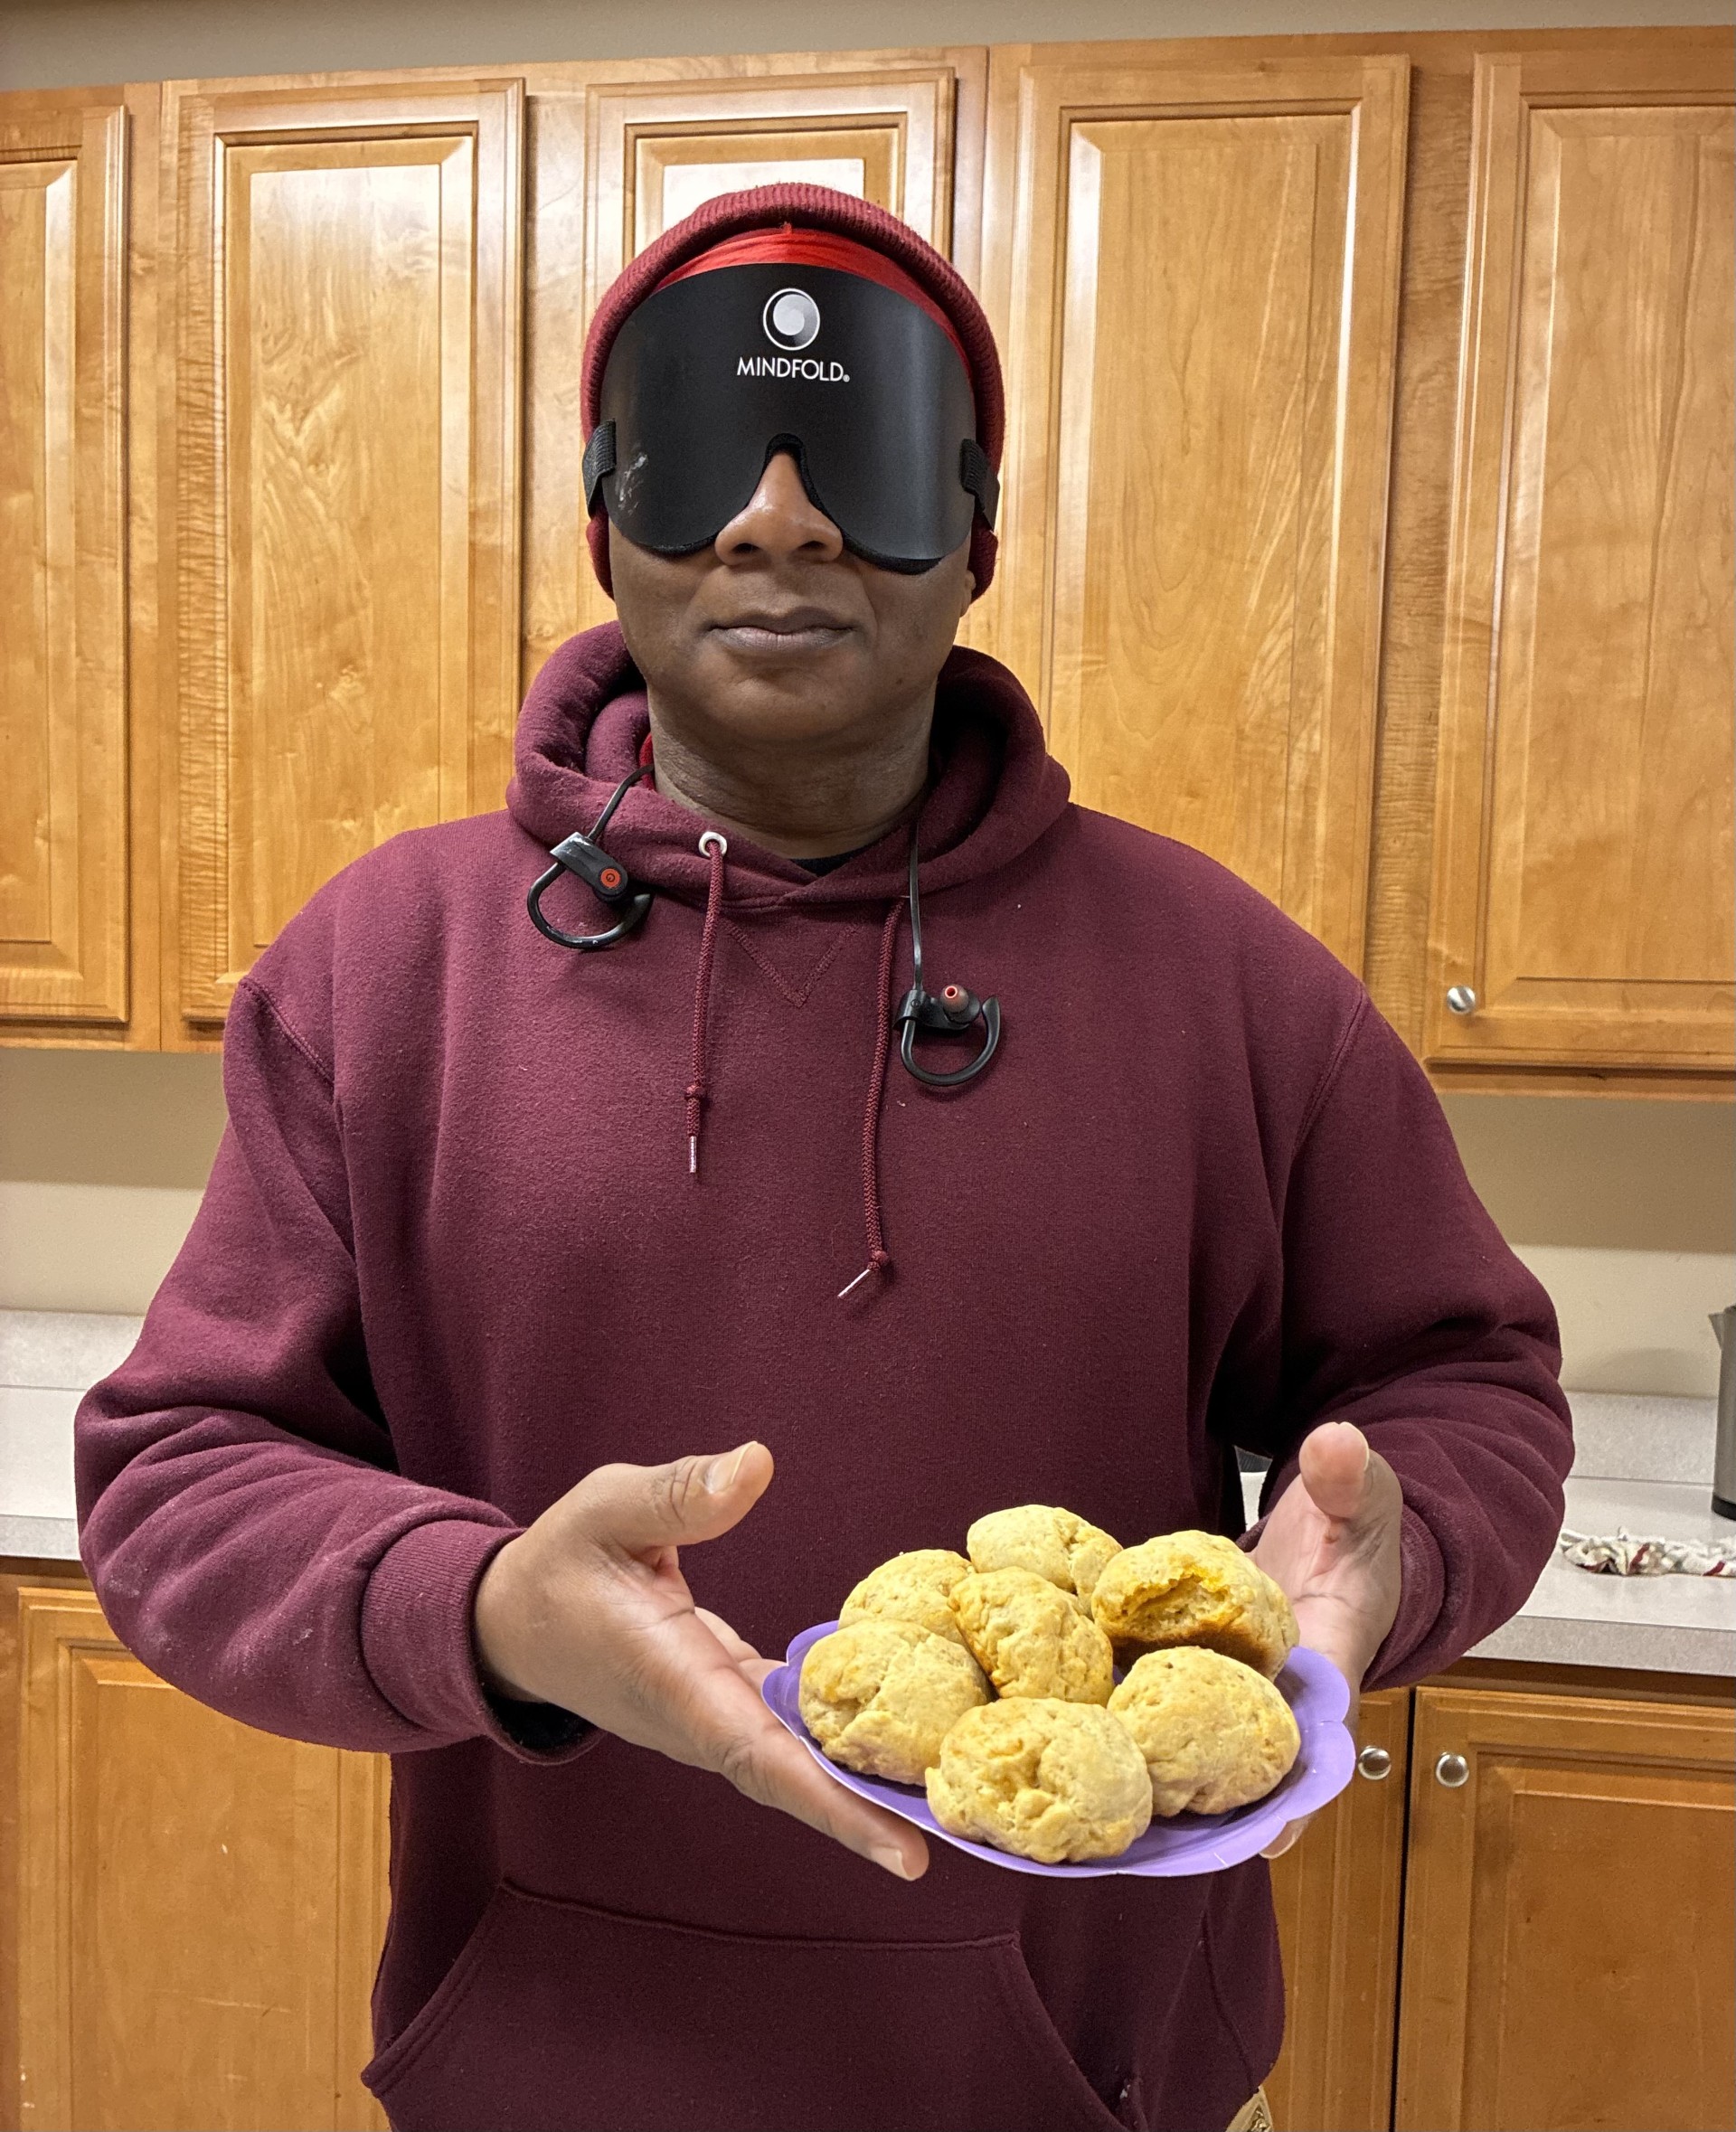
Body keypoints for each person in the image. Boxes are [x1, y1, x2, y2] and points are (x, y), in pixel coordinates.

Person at [76, 185, 1571, 2132]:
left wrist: (1396, 1550)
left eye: (853, 458)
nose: (777, 517)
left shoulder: (1231, 984)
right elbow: (180, 1479)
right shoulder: (381, 973)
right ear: (606, 520)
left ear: (977, 536)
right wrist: (486, 1609)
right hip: (551, 2075)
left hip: (1096, 2081)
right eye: (708, 450)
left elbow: (1465, 1384)